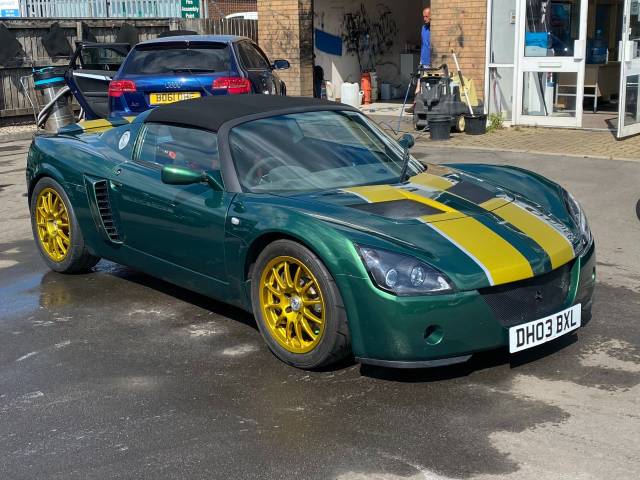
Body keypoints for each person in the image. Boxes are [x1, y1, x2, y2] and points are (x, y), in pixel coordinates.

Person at [406, 7, 431, 114]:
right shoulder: (423, 28)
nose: (424, 18)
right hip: (423, 58)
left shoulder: (433, 29)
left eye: (427, 16)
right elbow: (423, 44)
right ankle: (415, 104)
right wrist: (421, 59)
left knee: (428, 84)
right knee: (419, 84)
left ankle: (423, 105)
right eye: (423, 16)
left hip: (431, 60)